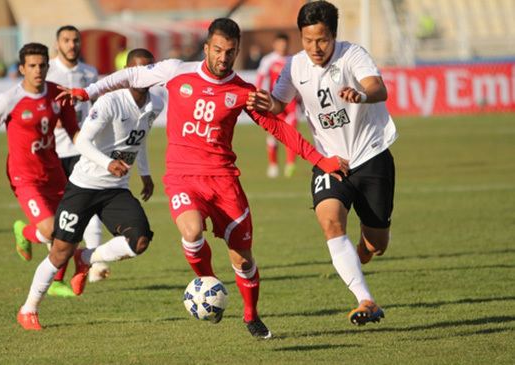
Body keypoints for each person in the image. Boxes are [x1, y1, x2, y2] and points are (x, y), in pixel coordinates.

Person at [57, 18, 348, 339]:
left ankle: (251, 315)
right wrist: (88, 91)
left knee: (243, 257)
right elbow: (131, 74)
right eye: (219, 50)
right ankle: (209, 286)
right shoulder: (177, 70)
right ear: (207, 47)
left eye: (231, 52)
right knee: (192, 233)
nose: (224, 57)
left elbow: (278, 128)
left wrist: (321, 160)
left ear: (237, 52)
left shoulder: (243, 91)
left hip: (224, 181)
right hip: (183, 177)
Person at [247, 0, 396, 326]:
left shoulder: (353, 55)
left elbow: (378, 88)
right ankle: (365, 300)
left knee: (376, 243)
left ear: (334, 35)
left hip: (371, 156)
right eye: (308, 40)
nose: (315, 48)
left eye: (322, 40)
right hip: (330, 162)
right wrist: (264, 101)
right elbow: (277, 103)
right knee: (329, 220)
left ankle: (363, 251)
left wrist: (361, 95)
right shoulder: (295, 66)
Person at [16, 49, 164, 330]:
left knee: (140, 241)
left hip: (116, 189)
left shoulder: (156, 102)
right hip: (84, 186)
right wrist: (108, 164)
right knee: (59, 252)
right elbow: (82, 142)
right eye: (138, 70)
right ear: (127, 72)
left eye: (149, 70)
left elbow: (140, 139)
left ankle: (85, 258)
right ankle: (28, 308)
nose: (144, 76)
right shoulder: (110, 101)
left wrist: (144, 172)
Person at [0, 43, 80, 297]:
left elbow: (73, 131)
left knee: (69, 228)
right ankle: (23, 231)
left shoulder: (57, 93)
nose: (38, 70)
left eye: (42, 65)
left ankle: (56, 282)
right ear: (22, 68)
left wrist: (93, 153)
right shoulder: (8, 99)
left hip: (54, 172)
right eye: (32, 66)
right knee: (51, 230)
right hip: (25, 176)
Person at [40, 25, 107, 297]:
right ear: (57, 44)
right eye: (66, 40)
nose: (72, 44)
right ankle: (55, 268)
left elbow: (95, 109)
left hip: (82, 149)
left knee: (89, 205)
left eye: (75, 40)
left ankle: (94, 262)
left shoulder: (90, 73)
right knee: (59, 219)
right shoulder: (49, 73)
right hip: (54, 152)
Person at [255, 33, 300, 179]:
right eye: (280, 44)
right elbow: (260, 79)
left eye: (285, 44)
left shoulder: (294, 60)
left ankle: (290, 164)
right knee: (273, 135)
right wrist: (258, 98)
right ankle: (273, 165)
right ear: (275, 45)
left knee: (291, 131)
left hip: (291, 103)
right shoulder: (268, 60)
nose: (283, 47)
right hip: (274, 102)